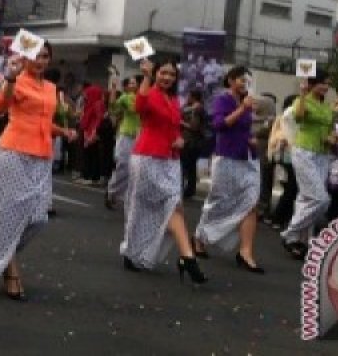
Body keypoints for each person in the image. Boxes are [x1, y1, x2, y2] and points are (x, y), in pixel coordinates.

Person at [0, 44, 77, 300]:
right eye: (35, 56)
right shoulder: (17, 80)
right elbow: (1, 105)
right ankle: (9, 270)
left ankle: (1, 251)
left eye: (44, 56)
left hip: (42, 157)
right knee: (8, 214)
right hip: (14, 153)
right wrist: (10, 77)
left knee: (38, 218)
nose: (40, 61)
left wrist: (64, 131)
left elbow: (43, 122)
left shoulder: (52, 88)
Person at [120, 58, 207, 284]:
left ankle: (188, 258)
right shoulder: (149, 92)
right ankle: (132, 251)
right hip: (147, 157)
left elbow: (173, 127)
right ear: (156, 73)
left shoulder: (174, 99)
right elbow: (139, 107)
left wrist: (178, 139)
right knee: (141, 208)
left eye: (171, 74)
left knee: (173, 204)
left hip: (170, 159)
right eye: (163, 73)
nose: (167, 77)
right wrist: (147, 76)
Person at [194, 66, 265, 274]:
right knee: (219, 201)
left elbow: (243, 128)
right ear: (231, 80)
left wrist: (251, 138)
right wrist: (242, 109)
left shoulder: (248, 103)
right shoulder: (223, 100)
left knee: (251, 203)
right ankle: (200, 237)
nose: (245, 84)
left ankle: (246, 253)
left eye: (248, 81)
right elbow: (219, 125)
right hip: (227, 158)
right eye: (241, 80)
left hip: (248, 158)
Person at [280, 70, 338, 259]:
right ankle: (290, 233)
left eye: (328, 84)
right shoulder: (302, 100)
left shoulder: (325, 106)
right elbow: (299, 116)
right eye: (322, 83)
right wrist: (302, 94)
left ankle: (301, 241)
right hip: (304, 152)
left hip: (322, 155)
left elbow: (332, 116)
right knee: (321, 199)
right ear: (312, 84)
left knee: (306, 198)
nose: (326, 87)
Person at [105, 76, 142, 209]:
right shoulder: (126, 97)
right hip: (126, 135)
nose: (132, 84)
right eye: (130, 82)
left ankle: (125, 198)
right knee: (124, 165)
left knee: (135, 170)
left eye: (134, 82)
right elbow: (113, 107)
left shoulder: (145, 97)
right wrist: (114, 89)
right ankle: (112, 191)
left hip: (140, 137)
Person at [265, 95, 299, 230]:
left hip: (292, 155)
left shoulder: (292, 118)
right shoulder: (284, 118)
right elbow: (277, 136)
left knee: (291, 189)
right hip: (287, 156)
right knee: (291, 188)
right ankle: (278, 218)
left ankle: (282, 217)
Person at [76, 84, 105, 186]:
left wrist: (94, 132)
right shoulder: (91, 103)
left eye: (87, 94)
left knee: (92, 155)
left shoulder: (97, 104)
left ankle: (91, 177)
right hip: (88, 131)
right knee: (88, 154)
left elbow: (98, 119)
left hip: (92, 132)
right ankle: (87, 176)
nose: (85, 96)